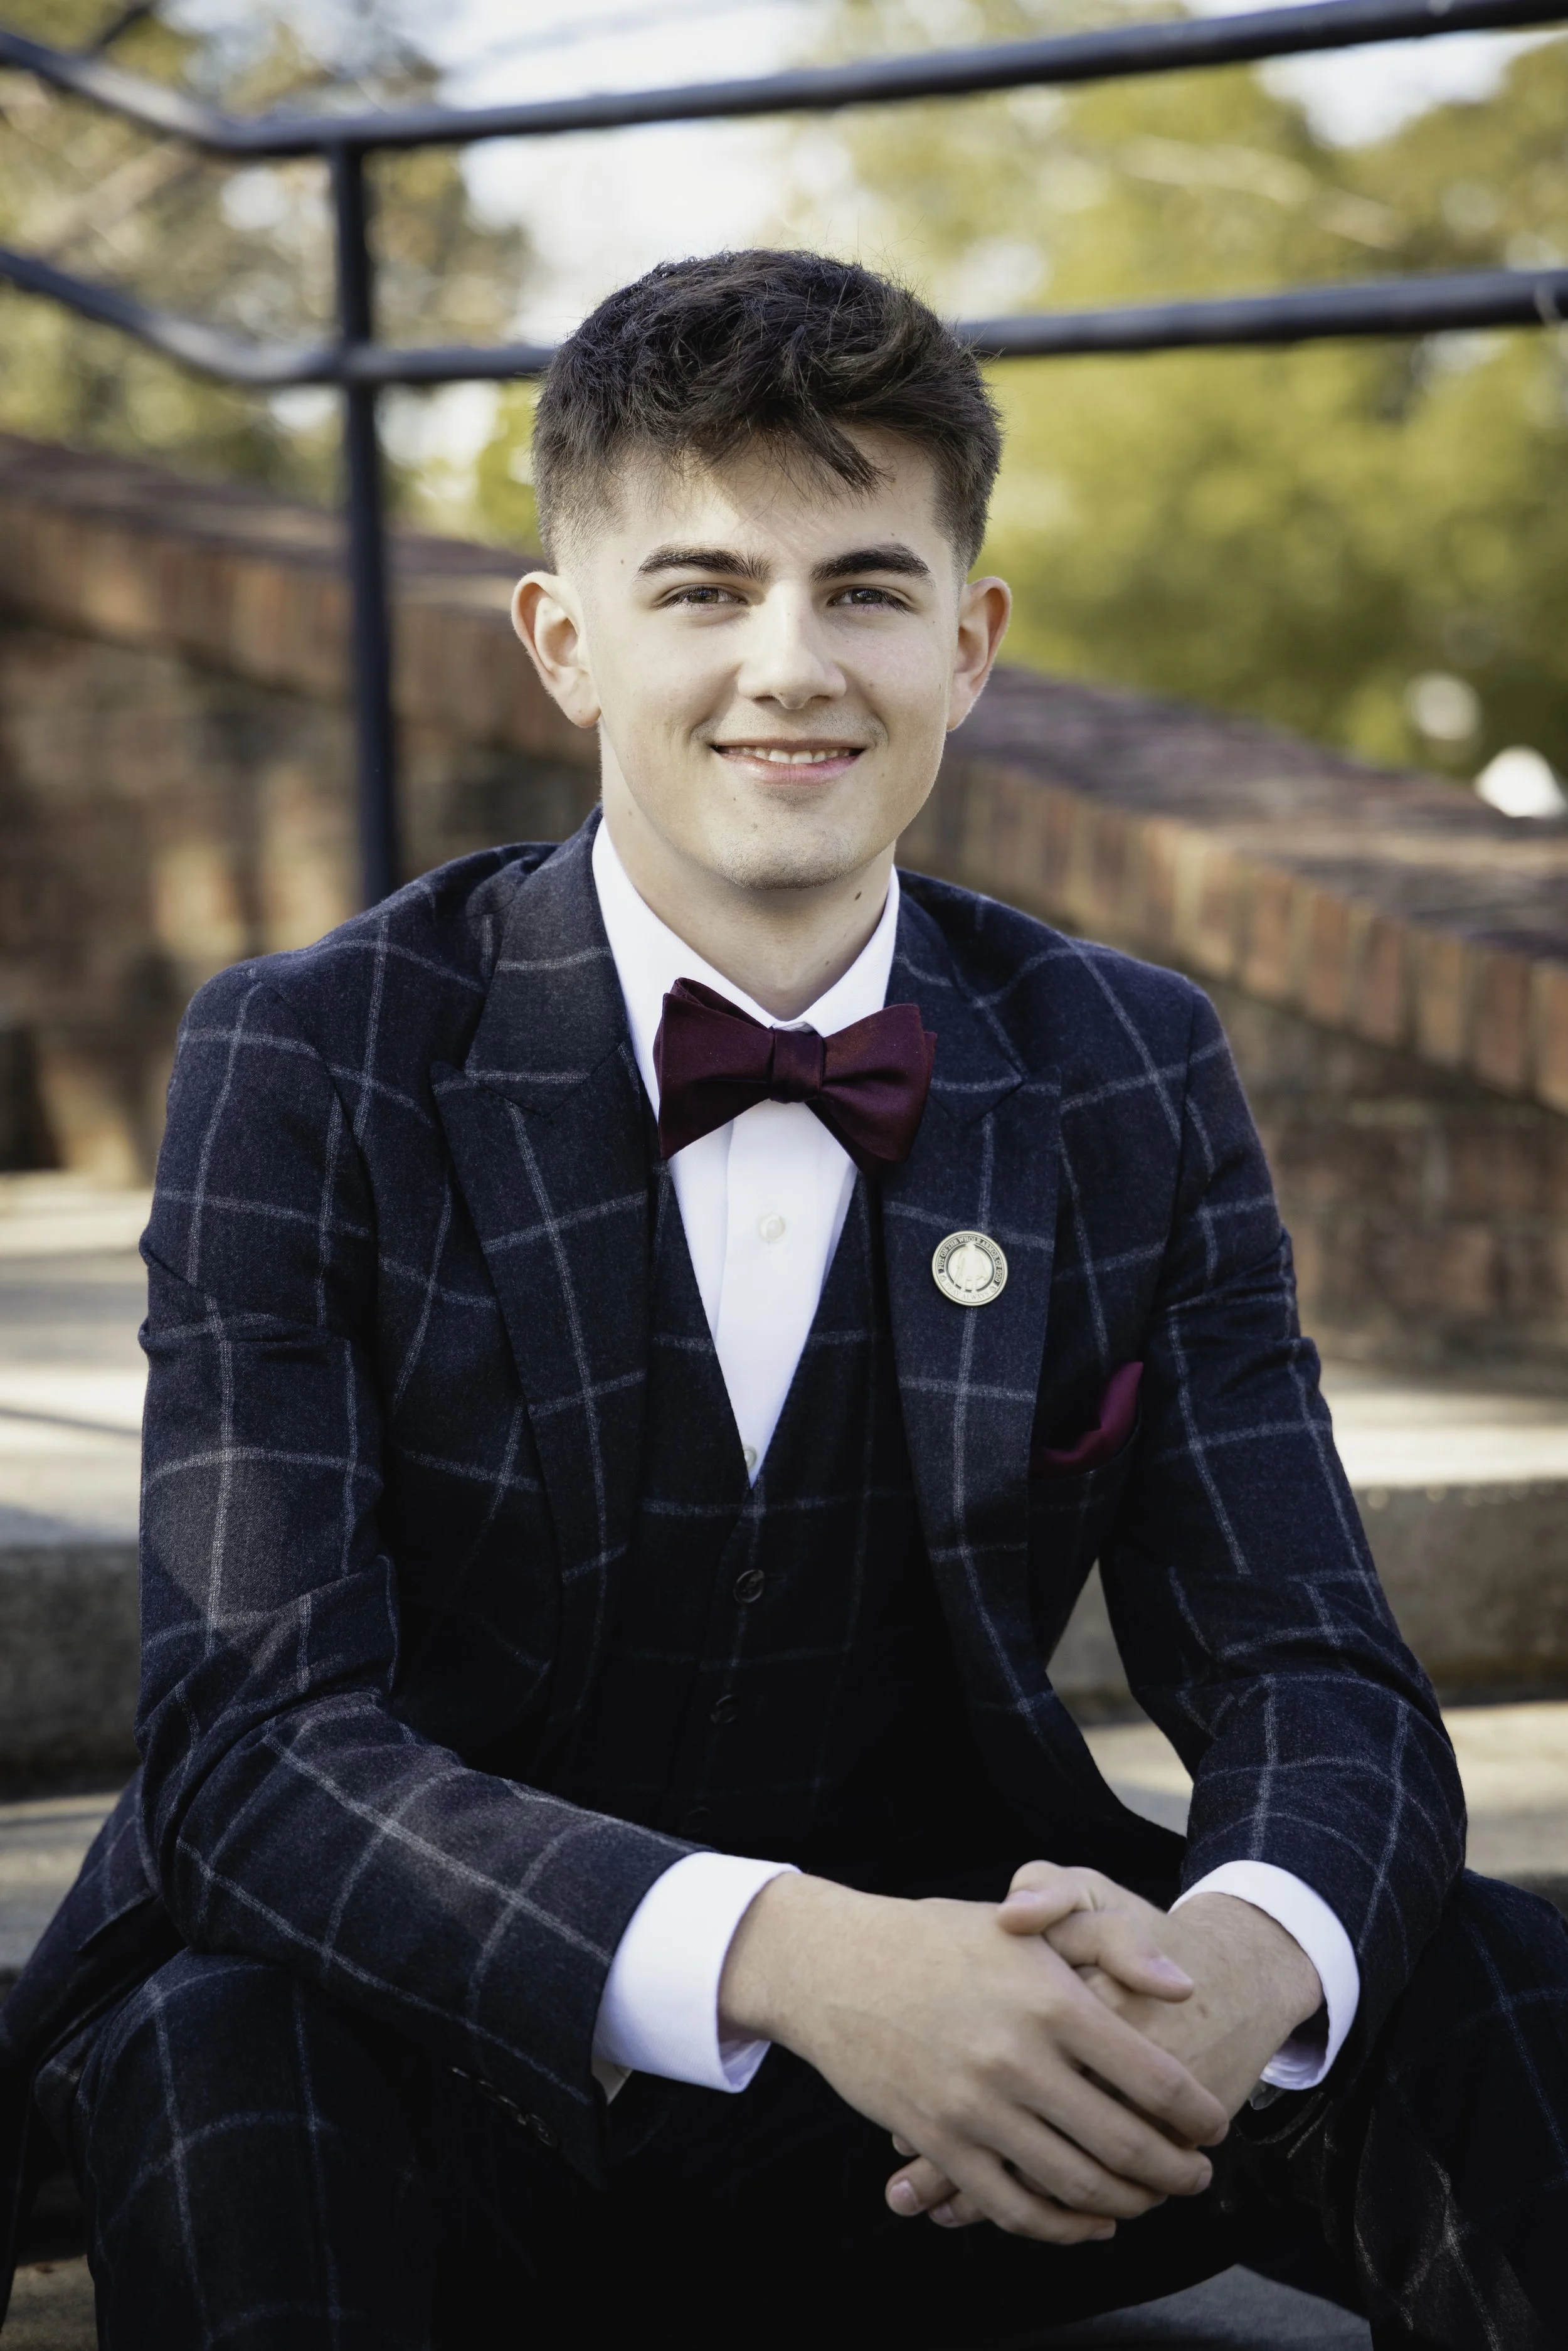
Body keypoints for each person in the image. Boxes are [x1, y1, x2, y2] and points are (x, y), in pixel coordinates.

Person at [1, 249, 1564, 2351]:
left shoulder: (1122, 1058)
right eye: (705, 588)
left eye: (863, 589)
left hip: (960, 2107)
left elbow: (1314, 1664)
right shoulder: (313, 1050)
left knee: (1474, 1978)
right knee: (224, 2054)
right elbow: (253, 1754)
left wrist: (1236, 1972)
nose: (791, 665)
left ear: (967, 645)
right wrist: (800, 1958)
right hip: (450, 2066)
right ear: (564, 642)